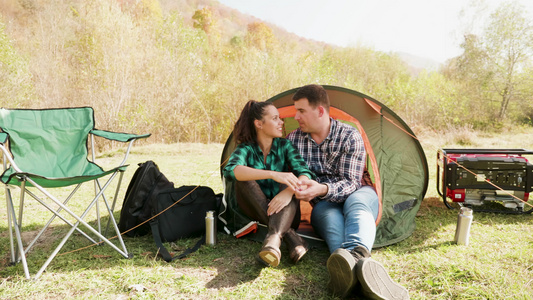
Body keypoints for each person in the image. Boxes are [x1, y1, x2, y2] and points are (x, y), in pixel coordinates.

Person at [287, 84, 409, 299]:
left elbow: (351, 183)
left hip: (359, 191)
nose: (296, 116)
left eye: (301, 111)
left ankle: (355, 260)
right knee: (328, 219)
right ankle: (356, 270)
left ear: (320, 111)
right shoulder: (294, 140)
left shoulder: (349, 135)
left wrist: (322, 188)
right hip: (324, 203)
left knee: (356, 204)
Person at [223, 100, 314, 267]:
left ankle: (274, 238)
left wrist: (287, 193)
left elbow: (305, 173)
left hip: (289, 212)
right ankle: (289, 236)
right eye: (275, 119)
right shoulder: (246, 149)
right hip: (256, 212)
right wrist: (273, 175)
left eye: (280, 118)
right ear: (259, 124)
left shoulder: (285, 146)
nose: (281, 122)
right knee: (243, 178)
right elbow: (230, 171)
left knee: (291, 178)